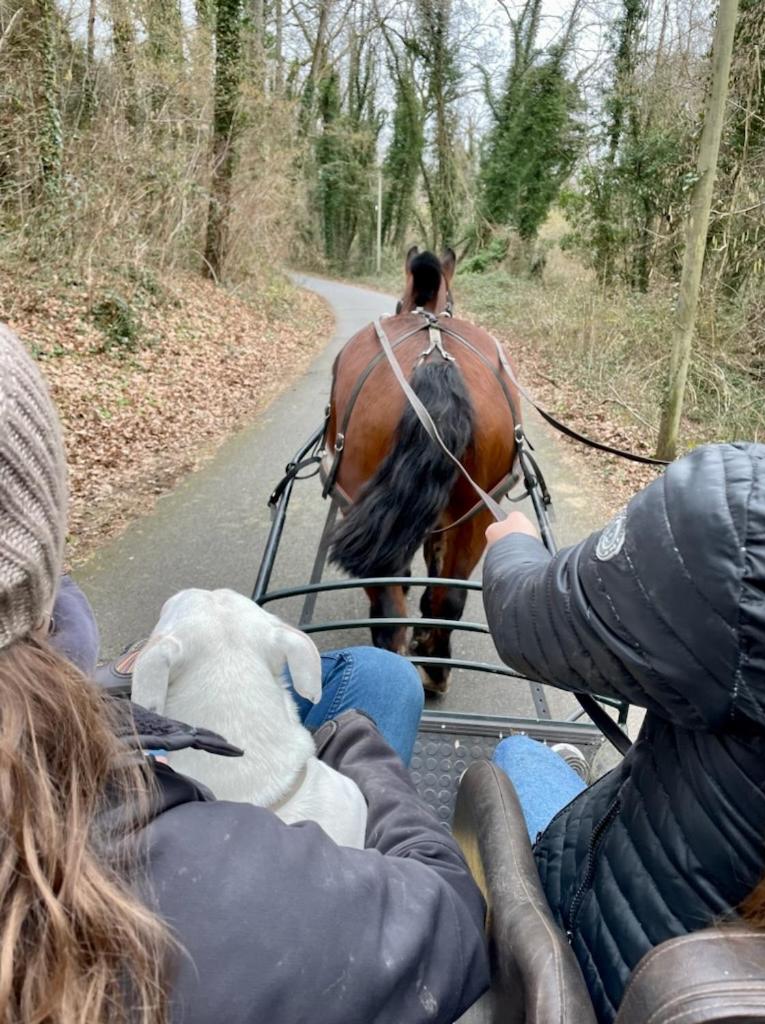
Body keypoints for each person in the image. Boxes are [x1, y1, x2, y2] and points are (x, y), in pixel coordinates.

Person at [0, 322, 489, 1024]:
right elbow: (451, 914)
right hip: (277, 842)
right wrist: (349, 747)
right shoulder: (191, 890)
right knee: (381, 687)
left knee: (377, 671)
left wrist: (106, 680)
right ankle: (346, 842)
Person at [482, 442, 765, 1024]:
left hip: (597, 967)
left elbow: (525, 620)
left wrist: (511, 542)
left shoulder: (741, 517)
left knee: (518, 752)